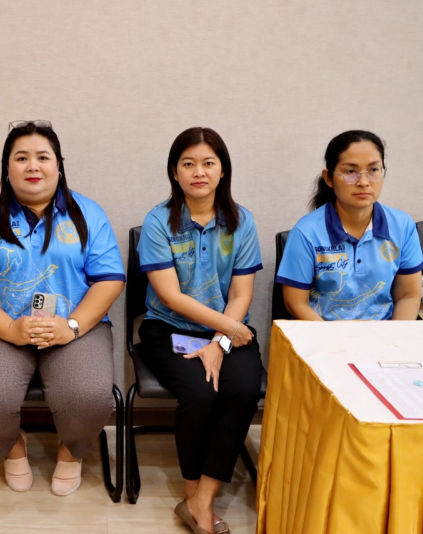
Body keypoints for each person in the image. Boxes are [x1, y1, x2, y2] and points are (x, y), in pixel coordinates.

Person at [0, 120, 125, 497]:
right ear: (7, 168)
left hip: (76, 326)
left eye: (43, 157)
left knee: (89, 396)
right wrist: (9, 329)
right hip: (4, 326)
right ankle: (11, 446)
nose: (33, 166)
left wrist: (72, 326)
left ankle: (72, 450)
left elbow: (110, 279)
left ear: (59, 166)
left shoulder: (88, 214)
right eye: (21, 158)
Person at [138, 127, 263, 534]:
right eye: (188, 164)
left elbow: (242, 293)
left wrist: (219, 343)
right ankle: (192, 494)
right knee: (200, 394)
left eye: (208, 163)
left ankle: (200, 500)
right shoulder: (158, 222)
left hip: (228, 331)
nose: (199, 172)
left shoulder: (241, 222)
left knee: (242, 390)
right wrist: (228, 330)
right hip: (168, 329)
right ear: (174, 172)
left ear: (223, 170)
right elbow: (170, 296)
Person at [277, 130, 423, 320]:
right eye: (350, 171)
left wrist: (393, 336)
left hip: (384, 332)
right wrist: (336, 338)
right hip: (322, 331)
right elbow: (296, 303)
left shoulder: (402, 226)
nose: (364, 182)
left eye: (373, 170)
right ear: (329, 178)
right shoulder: (306, 232)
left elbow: (408, 296)